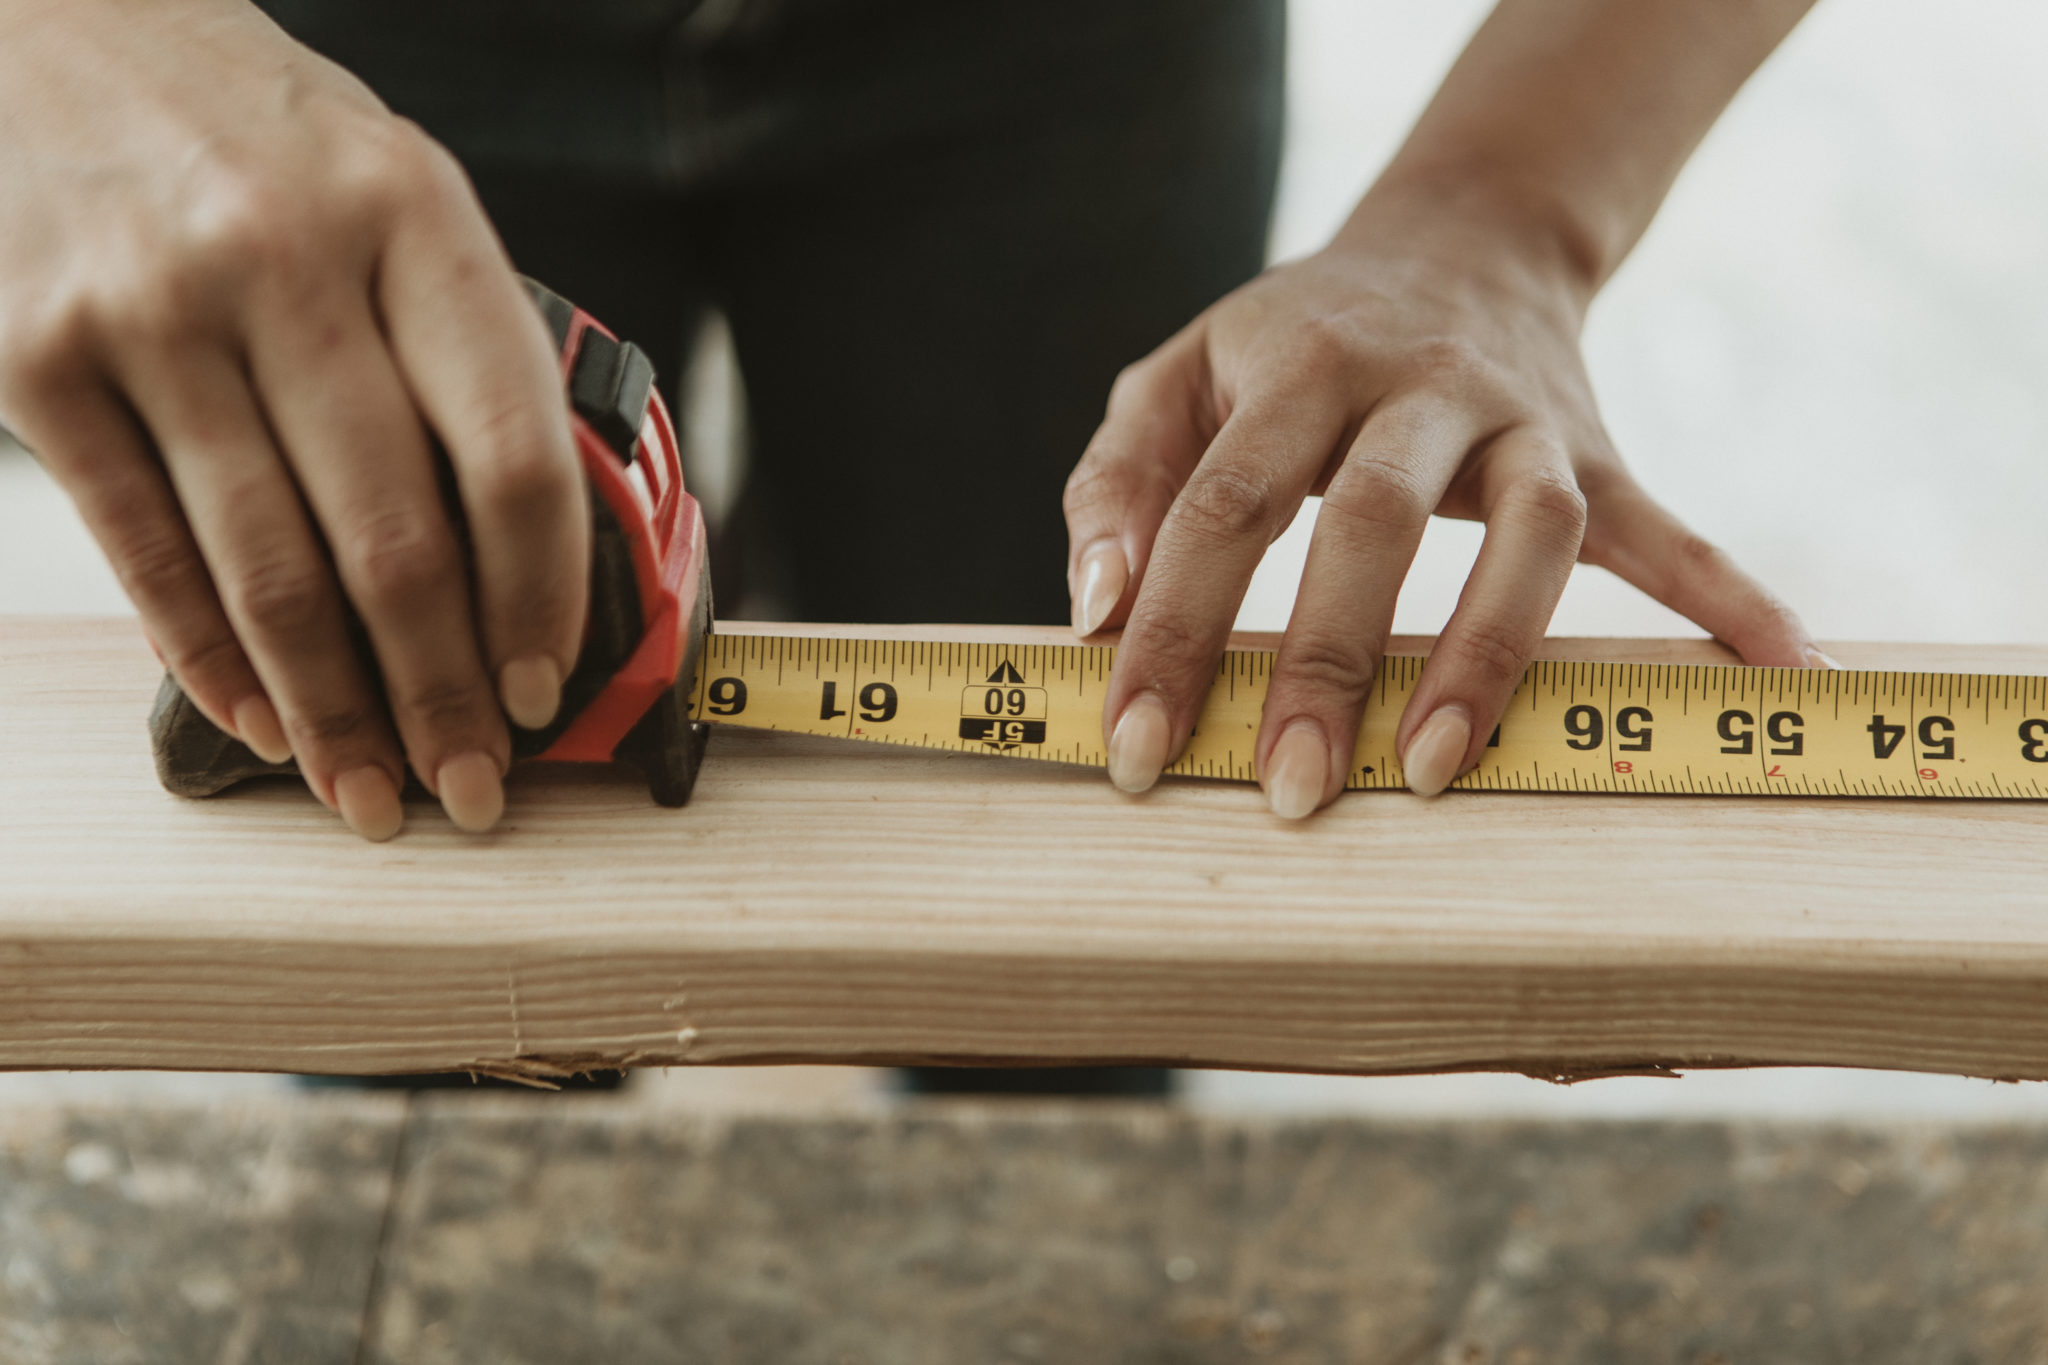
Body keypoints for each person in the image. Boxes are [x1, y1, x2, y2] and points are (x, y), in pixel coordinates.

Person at [0, 0, 1829, 845]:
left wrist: (1503, 216)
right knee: (412, 882)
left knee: (1101, 796)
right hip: (285, 49)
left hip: (1054, 63)